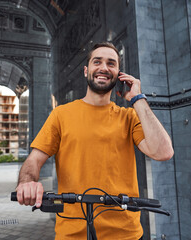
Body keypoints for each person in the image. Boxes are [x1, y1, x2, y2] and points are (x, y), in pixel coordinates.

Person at [15, 42, 174, 240]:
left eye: (111, 63)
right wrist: (27, 183)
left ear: (118, 74)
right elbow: (34, 160)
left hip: (126, 234)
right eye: (97, 61)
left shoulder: (129, 117)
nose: (104, 68)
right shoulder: (61, 115)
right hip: (72, 234)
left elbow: (163, 152)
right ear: (86, 70)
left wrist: (137, 98)